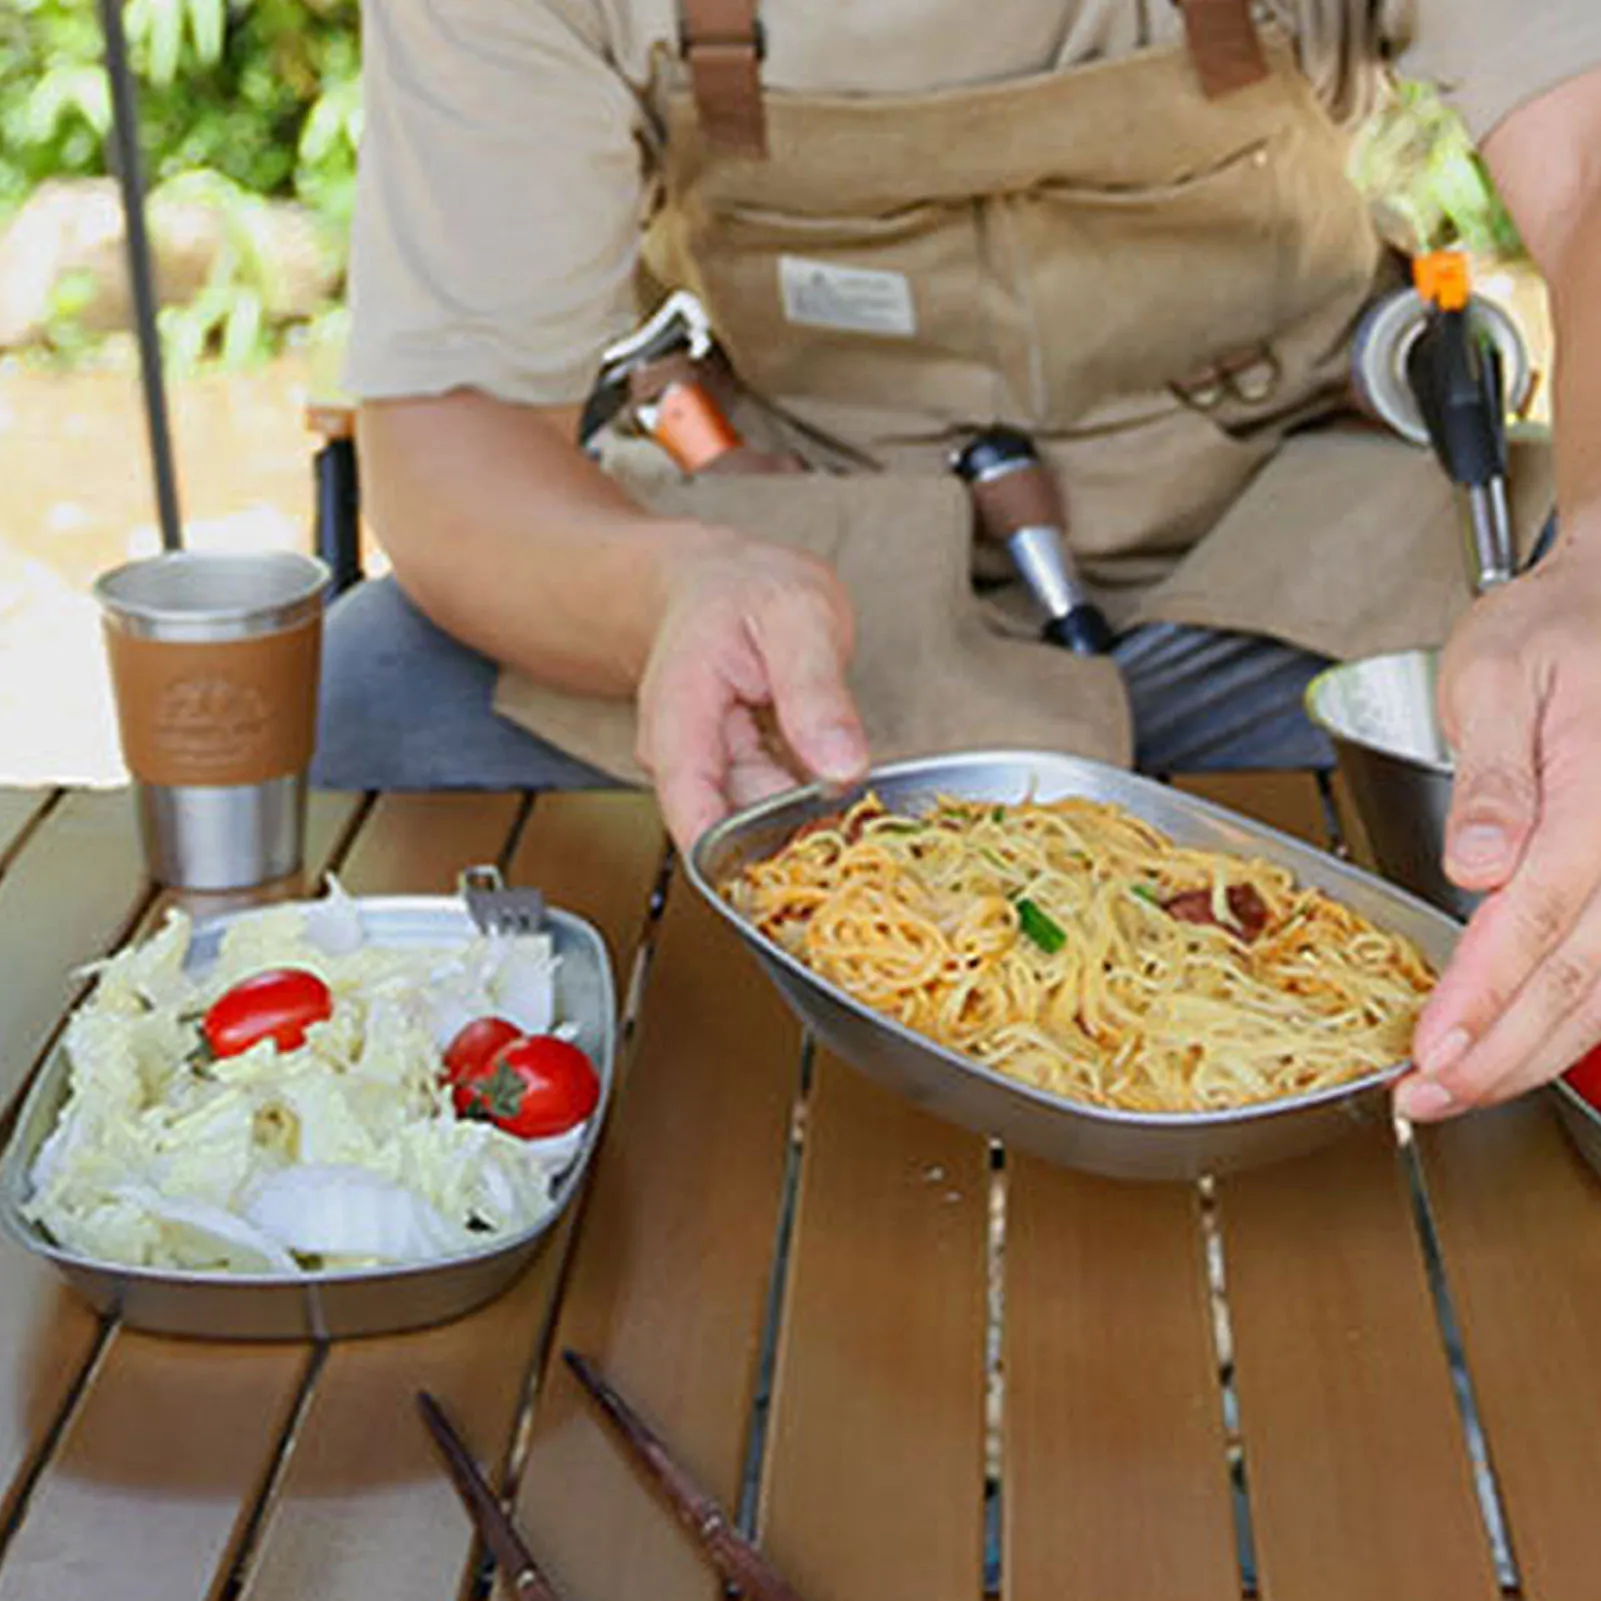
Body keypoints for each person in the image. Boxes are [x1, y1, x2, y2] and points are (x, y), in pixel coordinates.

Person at [316, 0, 1601, 1126]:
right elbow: (452, 432)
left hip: (1304, 541)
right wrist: (663, 596)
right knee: (370, 690)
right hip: (816, 580)